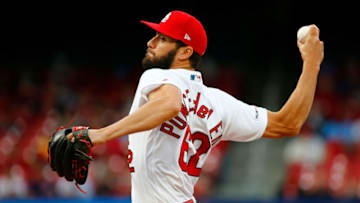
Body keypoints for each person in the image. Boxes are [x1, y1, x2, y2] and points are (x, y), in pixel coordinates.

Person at [69, 10, 324, 203]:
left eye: (161, 38)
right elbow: (288, 123)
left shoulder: (157, 76)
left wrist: (98, 135)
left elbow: (170, 103)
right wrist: (311, 64)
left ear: (184, 51)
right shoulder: (218, 102)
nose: (151, 42)